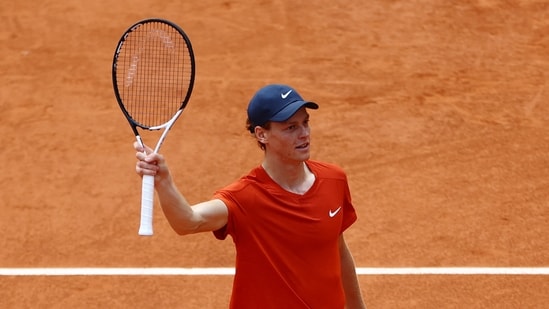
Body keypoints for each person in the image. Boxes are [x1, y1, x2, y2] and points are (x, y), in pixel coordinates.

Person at [134, 84, 366, 308]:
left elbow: (338, 251)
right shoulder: (245, 198)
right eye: (291, 128)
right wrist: (164, 181)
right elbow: (189, 222)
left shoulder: (334, 180)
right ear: (261, 134)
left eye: (305, 123)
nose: (304, 134)